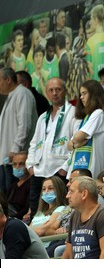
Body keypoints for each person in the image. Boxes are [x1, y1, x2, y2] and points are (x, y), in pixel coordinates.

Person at [26, 77, 77, 220]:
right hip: (39, 170)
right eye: (51, 90)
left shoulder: (73, 113)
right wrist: (30, 165)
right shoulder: (43, 117)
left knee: (61, 210)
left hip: (58, 170)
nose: (55, 93)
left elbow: (77, 143)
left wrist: (65, 167)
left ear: (65, 91)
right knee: (37, 211)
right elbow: (34, 143)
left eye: (58, 89)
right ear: (47, 93)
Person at [62, 176, 104, 259]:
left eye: (71, 191)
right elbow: (68, 254)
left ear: (84, 194)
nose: (67, 196)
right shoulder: (75, 215)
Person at [0, 67, 37, 195]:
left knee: (14, 198)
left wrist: (15, 149)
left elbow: (24, 125)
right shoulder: (11, 96)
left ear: (8, 79)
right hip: (7, 158)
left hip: (16, 159)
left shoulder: (22, 94)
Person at [67, 80, 104, 179]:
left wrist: (75, 142)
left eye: (84, 93)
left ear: (94, 95)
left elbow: (78, 137)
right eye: (80, 94)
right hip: (76, 167)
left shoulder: (98, 113)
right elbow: (69, 145)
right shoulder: (85, 117)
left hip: (91, 167)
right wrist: (75, 144)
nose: (81, 97)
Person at [45, 168, 92, 258]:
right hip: (58, 240)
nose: (68, 184)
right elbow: (49, 230)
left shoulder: (95, 208)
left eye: (71, 180)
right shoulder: (68, 208)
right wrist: (57, 232)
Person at [85, 4, 104, 81]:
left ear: (96, 19)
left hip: (95, 88)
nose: (90, 22)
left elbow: (88, 73)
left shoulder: (90, 42)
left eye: (91, 19)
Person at [6, 151, 30, 220]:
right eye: (15, 164)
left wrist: (11, 218)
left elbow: (26, 209)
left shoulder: (31, 185)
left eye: (21, 164)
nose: (17, 167)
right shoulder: (13, 186)